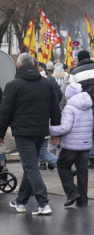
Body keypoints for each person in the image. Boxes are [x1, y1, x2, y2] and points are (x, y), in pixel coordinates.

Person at [0, 52, 62, 214]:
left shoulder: (13, 85)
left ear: (18, 66)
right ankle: (20, 201)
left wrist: (0, 134)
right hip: (41, 131)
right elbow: (55, 109)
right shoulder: (46, 83)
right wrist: (55, 130)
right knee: (30, 166)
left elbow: (5, 113)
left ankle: (43, 203)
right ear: (34, 64)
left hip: (22, 132)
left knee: (30, 166)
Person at [49, 82, 93, 208]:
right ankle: (83, 200)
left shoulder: (69, 107)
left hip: (71, 145)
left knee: (62, 165)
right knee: (82, 171)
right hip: (85, 144)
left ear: (69, 95)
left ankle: (72, 192)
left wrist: (49, 129)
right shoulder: (88, 106)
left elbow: (65, 128)